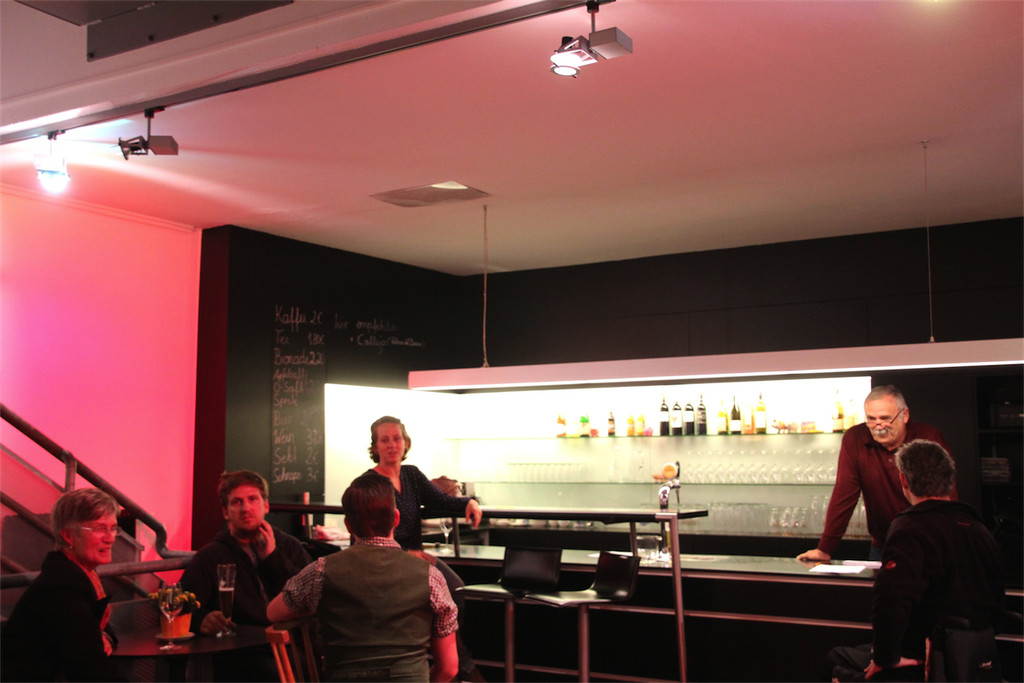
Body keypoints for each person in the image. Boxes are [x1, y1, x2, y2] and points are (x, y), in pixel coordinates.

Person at [827, 439, 1005, 681]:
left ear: (903, 481)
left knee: (837, 658)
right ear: (950, 479)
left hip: (926, 659)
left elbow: (891, 600)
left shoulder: (910, 529)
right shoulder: (979, 530)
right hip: (977, 659)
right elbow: (998, 605)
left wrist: (885, 658)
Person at [268, 473, 459, 682]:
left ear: (348, 525)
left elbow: (273, 612)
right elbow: (449, 668)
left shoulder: (321, 572)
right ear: (396, 518)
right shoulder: (430, 576)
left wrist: (318, 604)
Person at [363, 415, 485, 682]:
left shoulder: (411, 474)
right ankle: (457, 666)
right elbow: (365, 536)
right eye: (385, 440)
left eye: (397, 438)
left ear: (406, 443)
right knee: (437, 601)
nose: (392, 445)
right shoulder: (369, 484)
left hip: (418, 561)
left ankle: (449, 662)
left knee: (457, 590)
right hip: (387, 563)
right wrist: (404, 556)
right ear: (375, 446)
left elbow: (440, 500)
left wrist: (470, 502)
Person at [180, 469, 312, 681]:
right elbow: (182, 605)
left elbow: (309, 598)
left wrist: (272, 558)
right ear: (225, 512)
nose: (246, 508)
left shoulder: (289, 547)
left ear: (266, 505)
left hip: (294, 647)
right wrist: (201, 619)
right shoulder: (211, 556)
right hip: (243, 654)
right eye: (236, 502)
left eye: (253, 499)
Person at [798, 386, 952, 563]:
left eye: (885, 418)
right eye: (871, 419)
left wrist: (950, 542)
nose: (878, 425)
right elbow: (844, 495)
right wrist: (824, 549)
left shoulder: (926, 437)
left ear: (905, 415)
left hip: (926, 544)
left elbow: (945, 495)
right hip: (883, 545)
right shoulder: (855, 438)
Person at [1, 488, 125, 681]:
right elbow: (89, 669)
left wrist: (104, 637)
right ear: (68, 536)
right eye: (100, 529)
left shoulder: (80, 575)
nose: (110, 538)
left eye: (113, 528)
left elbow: (98, 631)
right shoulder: (62, 587)